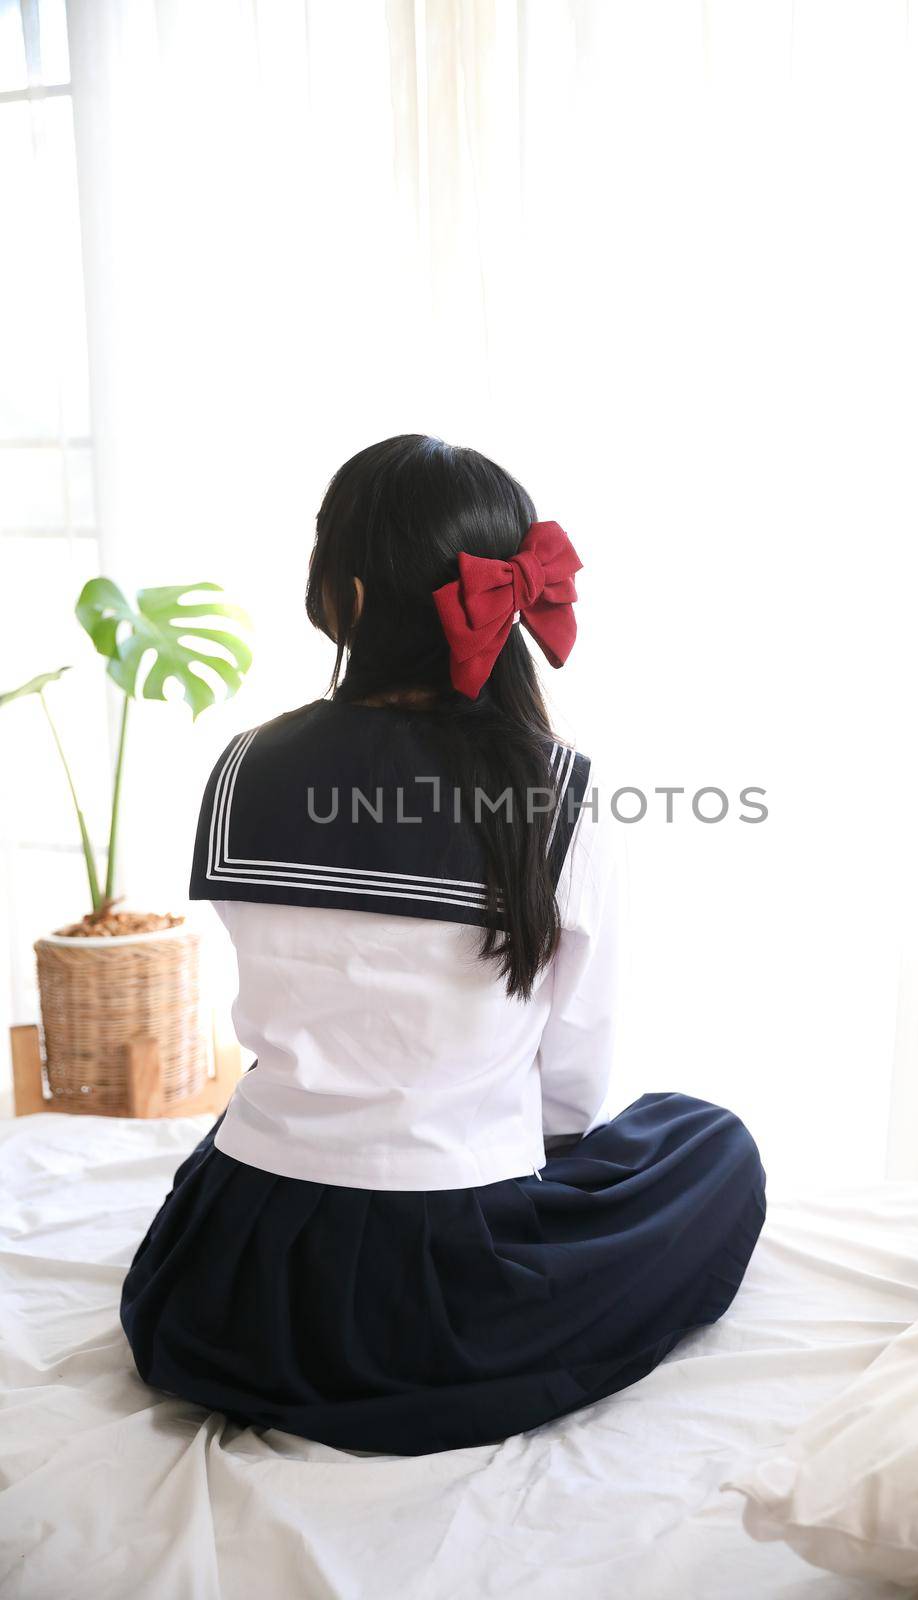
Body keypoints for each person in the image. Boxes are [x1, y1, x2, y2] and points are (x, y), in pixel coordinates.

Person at [119, 433, 767, 1457]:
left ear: (343, 596)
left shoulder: (241, 766)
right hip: (444, 1277)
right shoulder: (555, 794)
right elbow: (575, 1070)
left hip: (236, 1273)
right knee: (706, 1141)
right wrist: (547, 1169)